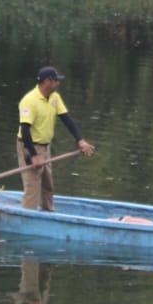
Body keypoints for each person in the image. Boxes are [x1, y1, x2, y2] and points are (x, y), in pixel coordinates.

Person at [16, 66, 96, 212]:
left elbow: (67, 119)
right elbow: (25, 130)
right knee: (33, 186)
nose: (58, 83)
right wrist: (34, 156)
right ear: (47, 81)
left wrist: (80, 140)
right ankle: (28, 214)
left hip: (45, 146)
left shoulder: (55, 98)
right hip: (28, 146)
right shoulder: (29, 101)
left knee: (48, 184)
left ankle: (48, 212)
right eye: (56, 81)